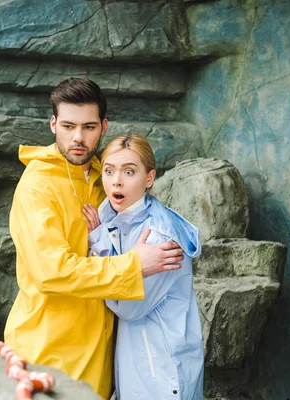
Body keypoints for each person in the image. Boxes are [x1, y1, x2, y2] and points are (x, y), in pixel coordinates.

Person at [4, 78, 185, 399]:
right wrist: (134, 266)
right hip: (49, 349)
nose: (78, 137)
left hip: (104, 349)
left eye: (88, 127)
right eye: (68, 126)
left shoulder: (107, 176)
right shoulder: (37, 187)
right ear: (53, 125)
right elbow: (52, 272)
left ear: (103, 126)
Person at [83, 134, 204, 400]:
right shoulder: (114, 216)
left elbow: (128, 308)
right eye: (109, 170)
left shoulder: (161, 235)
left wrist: (101, 248)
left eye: (129, 171)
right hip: (136, 363)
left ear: (149, 178)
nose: (116, 180)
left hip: (162, 368)